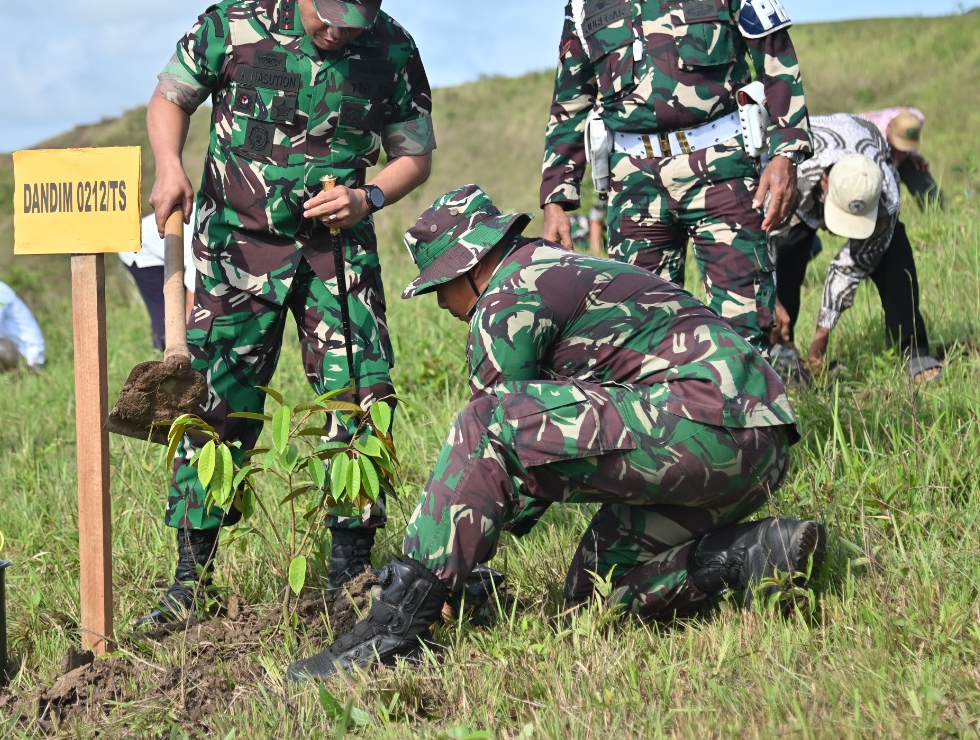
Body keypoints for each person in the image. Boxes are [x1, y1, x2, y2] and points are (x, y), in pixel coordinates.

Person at [287, 186, 824, 680]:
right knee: (593, 588)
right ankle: (750, 553)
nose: (441, 305)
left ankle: (397, 625)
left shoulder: (505, 300)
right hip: (759, 445)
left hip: (702, 421)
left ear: (468, 268)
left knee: (485, 421)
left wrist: (441, 575)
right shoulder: (549, 266)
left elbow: (492, 454)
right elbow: (533, 455)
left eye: (438, 289)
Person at [142, 0, 436, 627]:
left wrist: (368, 195)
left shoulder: (390, 48)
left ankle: (351, 575)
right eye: (329, 17)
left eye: (353, 21)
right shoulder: (235, 27)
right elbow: (171, 99)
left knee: (358, 401)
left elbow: (414, 154)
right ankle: (192, 582)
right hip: (235, 251)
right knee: (210, 407)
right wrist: (168, 165)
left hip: (336, 257)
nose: (338, 34)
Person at [540, 0, 811, 350]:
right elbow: (570, 103)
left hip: (722, 169)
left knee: (743, 327)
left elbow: (777, 60)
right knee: (637, 334)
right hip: (633, 185)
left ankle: (747, 427)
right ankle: (666, 429)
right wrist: (557, 199)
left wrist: (787, 152)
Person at [769, 113, 943, 383]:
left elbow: (849, 269)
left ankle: (913, 349)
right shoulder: (795, 171)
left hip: (862, 170)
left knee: (895, 250)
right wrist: (770, 299)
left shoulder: (886, 194)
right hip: (804, 181)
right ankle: (779, 351)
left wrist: (821, 339)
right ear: (825, 183)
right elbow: (762, 237)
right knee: (786, 256)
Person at [118, 212, 196, 350]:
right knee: (169, 313)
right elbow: (192, 296)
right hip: (140, 251)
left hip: (168, 248)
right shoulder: (206, 234)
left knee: (179, 311)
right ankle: (164, 358)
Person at [860, 106, 942, 208]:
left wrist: (913, 154)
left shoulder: (916, 118)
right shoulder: (868, 134)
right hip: (866, 159)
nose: (902, 150)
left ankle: (936, 209)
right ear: (889, 129)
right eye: (900, 143)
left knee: (916, 167)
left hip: (889, 147)